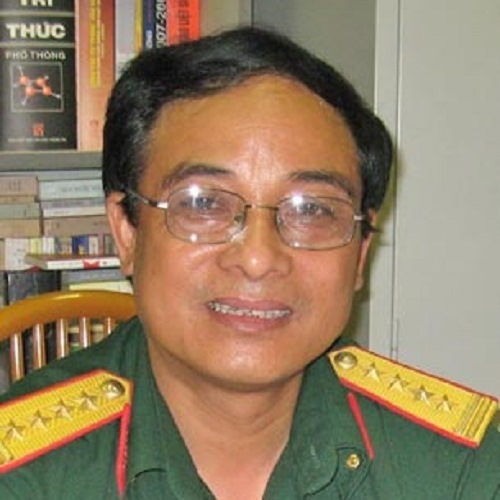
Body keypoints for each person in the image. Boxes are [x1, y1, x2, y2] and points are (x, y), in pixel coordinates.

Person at [0, 26, 498, 499]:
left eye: (312, 210)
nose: (259, 259)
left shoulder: (461, 468)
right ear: (127, 230)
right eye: (203, 203)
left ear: (361, 253)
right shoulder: (22, 473)